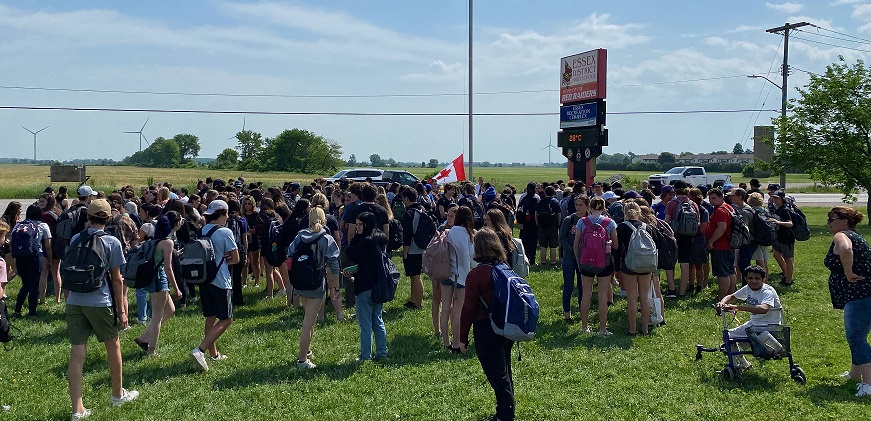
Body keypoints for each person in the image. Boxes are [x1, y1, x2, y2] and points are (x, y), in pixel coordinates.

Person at [65, 199, 138, 420]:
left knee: (77, 353)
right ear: (108, 218)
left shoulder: (77, 237)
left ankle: (77, 409)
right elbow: (117, 279)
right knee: (112, 345)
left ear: (88, 217)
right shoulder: (112, 242)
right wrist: (122, 310)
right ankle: (118, 394)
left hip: (75, 300)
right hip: (99, 301)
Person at [460, 228, 516, 421]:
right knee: (505, 372)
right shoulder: (505, 268)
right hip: (506, 325)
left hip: (486, 328)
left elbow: (467, 310)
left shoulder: (476, 275)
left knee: (497, 377)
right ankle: (505, 411)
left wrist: (462, 339)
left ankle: (505, 415)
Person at [823, 206, 871, 397]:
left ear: (844, 221)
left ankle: (868, 384)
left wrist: (848, 272)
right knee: (859, 335)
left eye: (831, 219)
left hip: (859, 294)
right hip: (863, 294)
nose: (828, 223)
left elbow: (845, 249)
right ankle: (855, 374)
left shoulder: (842, 235)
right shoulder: (856, 235)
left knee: (856, 338)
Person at [189, 200, 240, 372]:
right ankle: (200, 350)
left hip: (205, 279)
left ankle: (214, 354)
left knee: (210, 317)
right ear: (222, 213)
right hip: (220, 279)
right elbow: (236, 258)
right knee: (226, 318)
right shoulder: (225, 232)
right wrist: (225, 259)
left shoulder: (202, 230)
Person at [287, 207, 340, 370]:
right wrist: (336, 286)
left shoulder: (300, 236)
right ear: (324, 220)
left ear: (308, 220)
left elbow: (289, 254)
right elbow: (334, 263)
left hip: (300, 282)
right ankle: (302, 360)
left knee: (308, 318)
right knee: (308, 323)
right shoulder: (326, 238)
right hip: (316, 283)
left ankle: (307, 349)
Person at [134, 212, 183, 356]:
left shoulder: (155, 240)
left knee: (171, 310)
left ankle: (143, 338)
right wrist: (177, 288)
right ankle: (151, 350)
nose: (181, 222)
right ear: (174, 224)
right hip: (159, 280)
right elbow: (168, 268)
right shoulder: (168, 242)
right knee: (157, 317)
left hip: (153, 279)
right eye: (180, 220)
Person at [715, 265, 783, 370]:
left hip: (769, 327)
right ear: (745, 279)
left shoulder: (767, 291)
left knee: (733, 336)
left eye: (757, 278)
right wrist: (722, 303)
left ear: (763, 279)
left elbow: (763, 309)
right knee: (727, 335)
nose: (753, 281)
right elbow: (731, 296)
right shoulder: (748, 288)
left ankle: (774, 350)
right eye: (750, 278)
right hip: (753, 325)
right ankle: (742, 364)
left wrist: (737, 307)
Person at [344, 211, 389, 362]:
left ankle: (365, 356)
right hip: (379, 285)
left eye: (360, 224)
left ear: (367, 225)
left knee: (365, 325)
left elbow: (350, 252)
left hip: (365, 287)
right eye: (356, 224)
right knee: (378, 320)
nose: (357, 227)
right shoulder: (379, 240)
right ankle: (382, 353)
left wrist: (356, 236)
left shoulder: (366, 242)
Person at [573, 196, 618, 335]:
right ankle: (602, 329)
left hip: (585, 262)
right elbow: (616, 245)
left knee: (586, 295)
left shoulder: (582, 221)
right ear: (604, 208)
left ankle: (584, 327)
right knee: (602, 296)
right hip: (604, 263)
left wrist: (579, 260)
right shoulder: (609, 223)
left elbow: (576, 245)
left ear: (589, 207)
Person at [616, 202, 654, 336]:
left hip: (629, 264)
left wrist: (617, 268)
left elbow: (617, 249)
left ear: (624, 212)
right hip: (646, 264)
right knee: (645, 297)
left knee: (632, 298)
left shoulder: (621, 227)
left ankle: (632, 329)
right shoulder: (647, 227)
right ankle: (645, 329)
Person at [441, 206, 476, 352]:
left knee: (445, 308)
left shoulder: (448, 231)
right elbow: (472, 258)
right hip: (462, 275)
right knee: (458, 310)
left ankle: (446, 342)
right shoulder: (470, 235)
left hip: (446, 272)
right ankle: (456, 343)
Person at [12, 205, 52, 318]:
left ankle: (17, 310)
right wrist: (49, 260)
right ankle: (32, 313)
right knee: (34, 285)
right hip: (35, 256)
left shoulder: (18, 225)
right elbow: (47, 246)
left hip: (20, 256)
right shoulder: (42, 225)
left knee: (25, 284)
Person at [559, 194, 586, 322]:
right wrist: (572, 249)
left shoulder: (588, 220)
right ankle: (567, 313)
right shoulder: (569, 219)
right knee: (568, 286)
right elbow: (562, 238)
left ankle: (582, 312)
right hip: (569, 257)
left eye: (581, 205)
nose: (578, 207)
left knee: (583, 286)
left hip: (584, 258)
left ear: (587, 206)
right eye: (576, 205)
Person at [706, 188, 736, 300]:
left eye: (714, 198)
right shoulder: (729, 207)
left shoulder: (720, 211)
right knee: (730, 270)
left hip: (721, 245)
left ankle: (722, 297)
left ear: (721, 197)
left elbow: (722, 228)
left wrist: (711, 241)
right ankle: (731, 294)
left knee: (722, 273)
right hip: (729, 244)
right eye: (710, 198)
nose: (711, 201)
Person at [401, 189, 426, 310]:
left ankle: (418, 304)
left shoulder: (409, 213)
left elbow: (407, 234)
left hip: (413, 248)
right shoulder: (422, 209)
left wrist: (405, 250)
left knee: (416, 276)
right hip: (422, 246)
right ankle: (413, 299)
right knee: (413, 275)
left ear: (406, 198)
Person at [770, 190, 796, 286]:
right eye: (773, 197)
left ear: (782, 199)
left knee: (788, 259)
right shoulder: (778, 208)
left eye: (777, 198)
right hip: (778, 237)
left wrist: (778, 222)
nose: (774, 199)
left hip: (787, 237)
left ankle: (789, 280)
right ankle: (786, 274)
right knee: (776, 254)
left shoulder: (785, 209)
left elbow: (790, 223)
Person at [535, 186, 561, 266]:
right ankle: (553, 262)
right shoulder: (555, 202)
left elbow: (536, 214)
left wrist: (537, 223)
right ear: (553, 193)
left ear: (545, 192)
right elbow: (559, 215)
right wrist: (558, 224)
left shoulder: (540, 202)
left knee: (543, 245)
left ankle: (543, 262)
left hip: (542, 225)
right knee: (553, 246)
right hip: (553, 225)